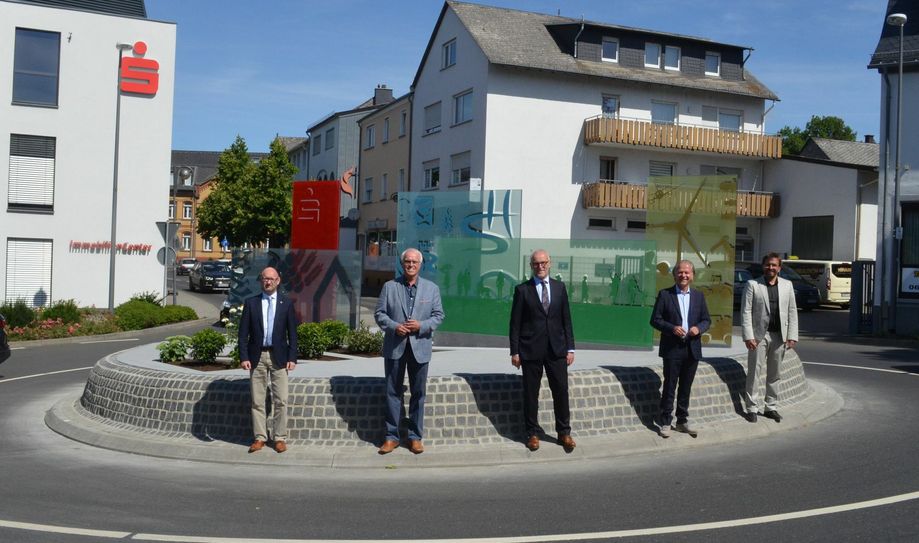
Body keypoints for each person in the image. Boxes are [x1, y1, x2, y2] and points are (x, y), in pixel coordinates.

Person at [374, 248, 444, 454]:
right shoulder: (389, 287)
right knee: (392, 392)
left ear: (420, 265)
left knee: (418, 394)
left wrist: (420, 326)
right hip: (395, 346)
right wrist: (395, 326)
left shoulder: (431, 289)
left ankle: (415, 437)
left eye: (414, 262)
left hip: (420, 347)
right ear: (402, 263)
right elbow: (380, 314)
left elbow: (439, 316)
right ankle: (392, 436)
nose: (411, 265)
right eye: (407, 261)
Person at [509, 249, 576, 452]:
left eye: (543, 263)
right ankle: (532, 433)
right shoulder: (523, 290)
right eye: (536, 263)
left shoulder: (559, 288)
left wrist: (570, 348)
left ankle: (564, 432)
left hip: (557, 350)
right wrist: (515, 351)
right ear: (531, 266)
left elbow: (566, 320)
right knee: (531, 394)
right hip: (530, 350)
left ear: (550, 263)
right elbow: (515, 324)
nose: (540, 266)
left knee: (561, 392)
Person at [238, 266, 299, 453]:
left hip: (279, 356)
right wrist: (244, 356)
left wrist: (292, 357)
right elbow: (243, 334)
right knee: (257, 400)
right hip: (257, 356)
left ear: (278, 280)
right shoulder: (251, 303)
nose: (268, 282)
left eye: (271, 279)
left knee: (281, 399)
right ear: (261, 280)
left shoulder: (286, 304)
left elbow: (293, 334)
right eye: (265, 278)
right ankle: (260, 438)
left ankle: (279, 438)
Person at [650, 260, 711, 438]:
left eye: (687, 272)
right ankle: (665, 421)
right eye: (680, 272)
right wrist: (672, 328)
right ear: (674, 275)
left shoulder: (699, 296)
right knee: (670, 386)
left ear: (692, 275)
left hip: (692, 348)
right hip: (672, 348)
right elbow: (655, 319)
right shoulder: (665, 295)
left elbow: (706, 320)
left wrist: (698, 328)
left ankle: (682, 421)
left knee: (686, 387)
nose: (683, 275)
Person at [741, 252, 798, 423]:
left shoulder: (787, 285)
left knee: (775, 373)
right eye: (768, 265)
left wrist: (792, 335)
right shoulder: (753, 284)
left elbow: (792, 311)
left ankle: (770, 407)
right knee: (754, 372)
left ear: (779, 268)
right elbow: (745, 311)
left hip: (779, 335)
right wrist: (748, 336)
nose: (770, 268)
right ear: (763, 266)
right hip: (759, 336)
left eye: (774, 265)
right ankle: (751, 407)